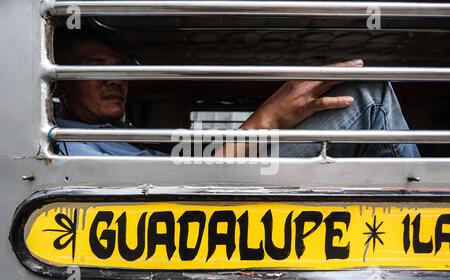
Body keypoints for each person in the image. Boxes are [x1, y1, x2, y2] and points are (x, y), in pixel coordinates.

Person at [53, 28, 419, 158]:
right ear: (59, 82)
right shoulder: (71, 145)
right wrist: (269, 118)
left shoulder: (115, 136)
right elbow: (172, 192)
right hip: (210, 192)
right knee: (369, 97)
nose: (115, 80)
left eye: (119, 70)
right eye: (96, 66)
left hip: (218, 174)